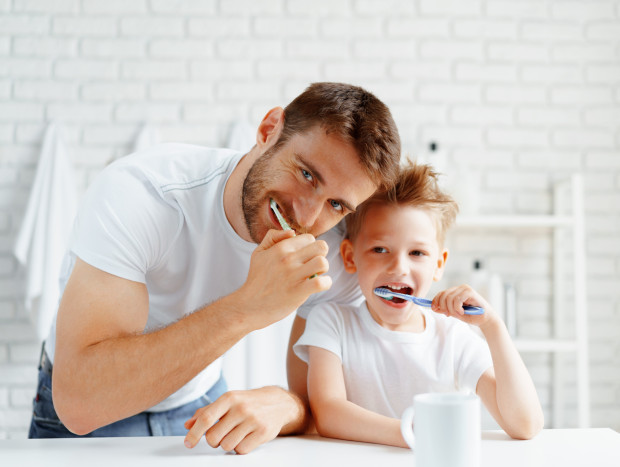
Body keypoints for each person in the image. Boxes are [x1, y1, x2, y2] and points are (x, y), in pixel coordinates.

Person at [28, 82, 402, 454]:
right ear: (269, 129)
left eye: (336, 204)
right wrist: (248, 306)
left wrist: (287, 405)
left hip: (199, 405)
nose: (306, 215)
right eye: (306, 174)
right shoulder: (144, 195)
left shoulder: (338, 251)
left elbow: (324, 405)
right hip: (89, 412)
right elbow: (80, 402)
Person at [293, 162, 544, 447]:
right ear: (350, 257)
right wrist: (413, 433)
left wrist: (493, 326)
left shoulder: (454, 339)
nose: (399, 267)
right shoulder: (331, 322)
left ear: (439, 265)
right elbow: (328, 414)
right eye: (380, 249)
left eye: (417, 252)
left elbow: (526, 425)